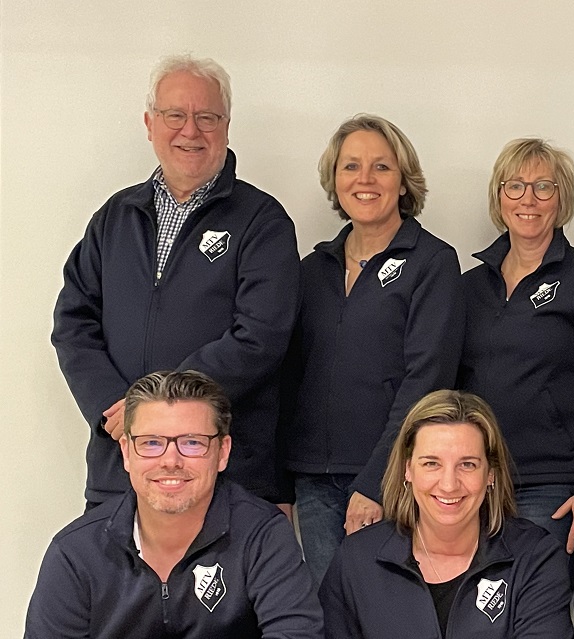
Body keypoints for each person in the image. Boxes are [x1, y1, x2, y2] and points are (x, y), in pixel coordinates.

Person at [51, 54, 300, 508]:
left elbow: (260, 336)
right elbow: (73, 324)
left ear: (226, 127)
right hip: (119, 471)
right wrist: (119, 409)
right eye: (175, 115)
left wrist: (159, 412)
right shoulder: (115, 218)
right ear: (150, 124)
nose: (190, 131)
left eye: (207, 117)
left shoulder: (262, 222)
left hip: (226, 479)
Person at [282, 114, 464, 582]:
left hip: (392, 478)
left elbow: (428, 379)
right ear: (334, 179)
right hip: (314, 479)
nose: (364, 179)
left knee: (386, 607)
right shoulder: (311, 270)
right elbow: (287, 378)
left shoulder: (432, 262)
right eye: (351, 166)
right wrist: (278, 482)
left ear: (403, 181)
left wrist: (378, 480)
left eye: (381, 167)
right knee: (328, 608)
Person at [25, 370, 324, 639]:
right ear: (127, 452)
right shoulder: (75, 552)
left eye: (192, 442)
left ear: (222, 452)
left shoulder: (263, 535)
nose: (171, 461)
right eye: (151, 442)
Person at [459, 138, 574, 569]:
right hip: (477, 483)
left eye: (543, 186)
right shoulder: (468, 287)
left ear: (561, 198)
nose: (528, 199)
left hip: (554, 488)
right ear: (499, 197)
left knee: (539, 603)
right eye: (515, 186)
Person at [320, 389, 573, 638]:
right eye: (431, 463)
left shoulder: (535, 557)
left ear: (490, 474)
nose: (449, 484)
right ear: (408, 470)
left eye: (467, 464)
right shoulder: (357, 559)